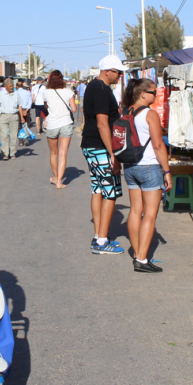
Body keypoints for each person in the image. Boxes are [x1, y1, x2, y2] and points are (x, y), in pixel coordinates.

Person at [121, 79, 172, 273]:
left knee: (135, 210)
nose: (156, 96)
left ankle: (137, 254)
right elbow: (159, 146)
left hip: (131, 166)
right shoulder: (150, 114)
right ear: (143, 93)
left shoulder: (126, 112)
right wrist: (167, 171)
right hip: (149, 166)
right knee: (150, 213)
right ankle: (142, 259)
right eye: (153, 92)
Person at [82, 55, 126, 255]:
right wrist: (113, 154)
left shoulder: (96, 87)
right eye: (118, 72)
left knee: (98, 189)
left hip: (93, 145)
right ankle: (100, 241)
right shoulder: (100, 89)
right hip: (100, 147)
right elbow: (102, 123)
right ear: (107, 71)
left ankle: (99, 236)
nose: (120, 76)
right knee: (110, 192)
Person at [43, 70, 75, 188]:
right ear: (62, 79)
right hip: (66, 123)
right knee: (63, 154)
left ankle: (56, 178)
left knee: (53, 153)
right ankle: (60, 182)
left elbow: (46, 106)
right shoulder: (68, 92)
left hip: (52, 124)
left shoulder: (46, 92)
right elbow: (74, 109)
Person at [0, 78, 24, 160]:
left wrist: (22, 117)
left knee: (13, 136)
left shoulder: (16, 94)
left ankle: (12, 153)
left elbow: (20, 106)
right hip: (3, 116)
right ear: (6, 86)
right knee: (4, 135)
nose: (12, 87)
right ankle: (5, 153)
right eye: (10, 86)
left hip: (14, 116)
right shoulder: (1, 94)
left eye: (12, 86)